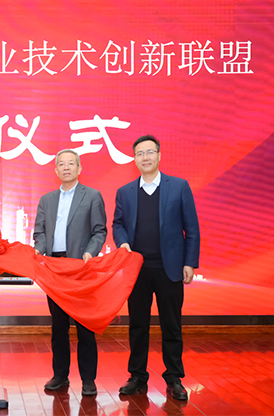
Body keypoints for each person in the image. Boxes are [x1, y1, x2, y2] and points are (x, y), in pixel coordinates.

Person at [112, 135, 200, 401]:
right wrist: (123, 242)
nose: (145, 157)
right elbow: (118, 224)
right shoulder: (125, 191)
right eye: (140, 153)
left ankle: (174, 377)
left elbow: (192, 228)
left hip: (169, 268)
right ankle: (137, 376)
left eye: (150, 152)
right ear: (134, 159)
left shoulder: (179, 186)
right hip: (137, 268)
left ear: (159, 155)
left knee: (171, 325)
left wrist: (189, 262)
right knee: (138, 324)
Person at [33, 149, 107, 396]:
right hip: (55, 269)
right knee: (59, 327)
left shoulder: (92, 196)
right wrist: (39, 249)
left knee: (85, 326)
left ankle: (88, 379)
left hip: (81, 268)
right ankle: (60, 376)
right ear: (55, 170)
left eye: (71, 164)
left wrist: (90, 252)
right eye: (61, 164)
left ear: (79, 168)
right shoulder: (46, 200)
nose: (66, 168)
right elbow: (40, 232)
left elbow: (99, 231)